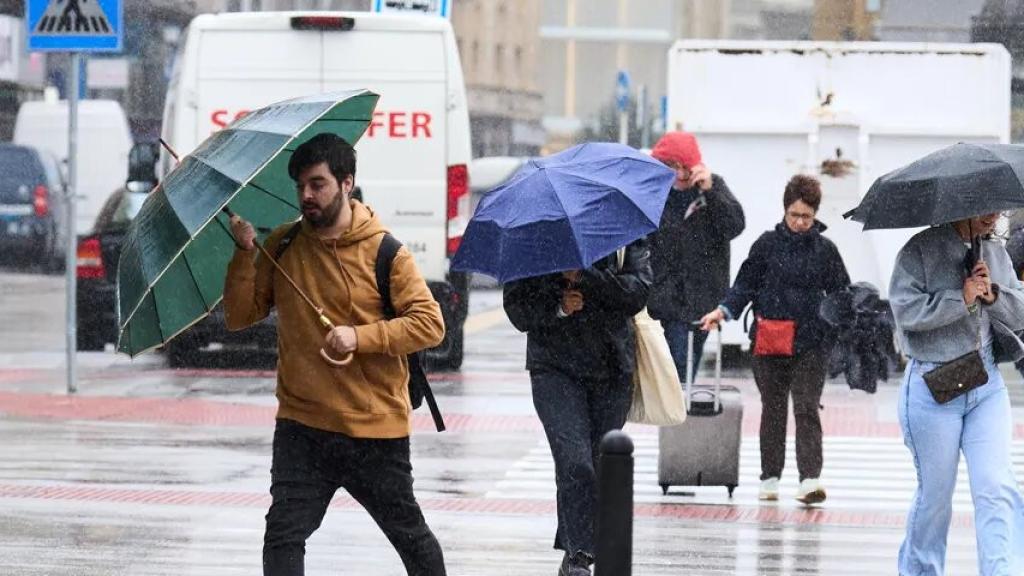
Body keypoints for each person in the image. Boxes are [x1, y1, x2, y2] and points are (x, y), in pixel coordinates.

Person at [223, 133, 447, 576]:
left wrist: (360, 337)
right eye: (301, 186)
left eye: (318, 184)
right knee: (283, 536)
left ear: (347, 183)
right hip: (303, 426)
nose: (306, 195)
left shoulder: (386, 252)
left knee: (410, 537)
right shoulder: (284, 245)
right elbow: (240, 316)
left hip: (373, 428)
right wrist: (244, 255)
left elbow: (430, 324)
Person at [503, 240, 652, 576]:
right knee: (575, 462)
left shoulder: (624, 235)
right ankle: (579, 554)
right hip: (554, 370)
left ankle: (577, 546)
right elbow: (517, 310)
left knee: (599, 467)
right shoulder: (535, 241)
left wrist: (585, 276)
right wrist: (557, 304)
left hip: (611, 368)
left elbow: (637, 293)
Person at [888, 212, 1024, 576]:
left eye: (997, 208)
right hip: (935, 387)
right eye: (984, 208)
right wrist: (958, 299)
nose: (993, 215)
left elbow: (1021, 311)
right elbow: (905, 313)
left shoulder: (995, 253)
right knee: (935, 498)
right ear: (962, 206)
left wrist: (994, 295)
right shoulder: (919, 250)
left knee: (996, 487)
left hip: (986, 385)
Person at [701, 174, 849, 504]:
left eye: (806, 217)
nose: (800, 222)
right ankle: (770, 477)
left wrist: (844, 326)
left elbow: (842, 294)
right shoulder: (765, 246)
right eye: (794, 215)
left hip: (811, 343)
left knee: (807, 407)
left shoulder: (826, 251)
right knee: (773, 409)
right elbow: (744, 286)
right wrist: (723, 311)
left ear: (815, 216)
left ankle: (810, 478)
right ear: (785, 211)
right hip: (768, 343)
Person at [647, 131, 745, 384]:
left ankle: (678, 415)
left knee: (686, 365)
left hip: (702, 298)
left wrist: (711, 192)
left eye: (685, 168)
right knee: (676, 368)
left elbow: (734, 226)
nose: (680, 175)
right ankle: (677, 415)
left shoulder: (713, 188)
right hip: (666, 299)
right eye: (671, 167)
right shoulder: (654, 195)